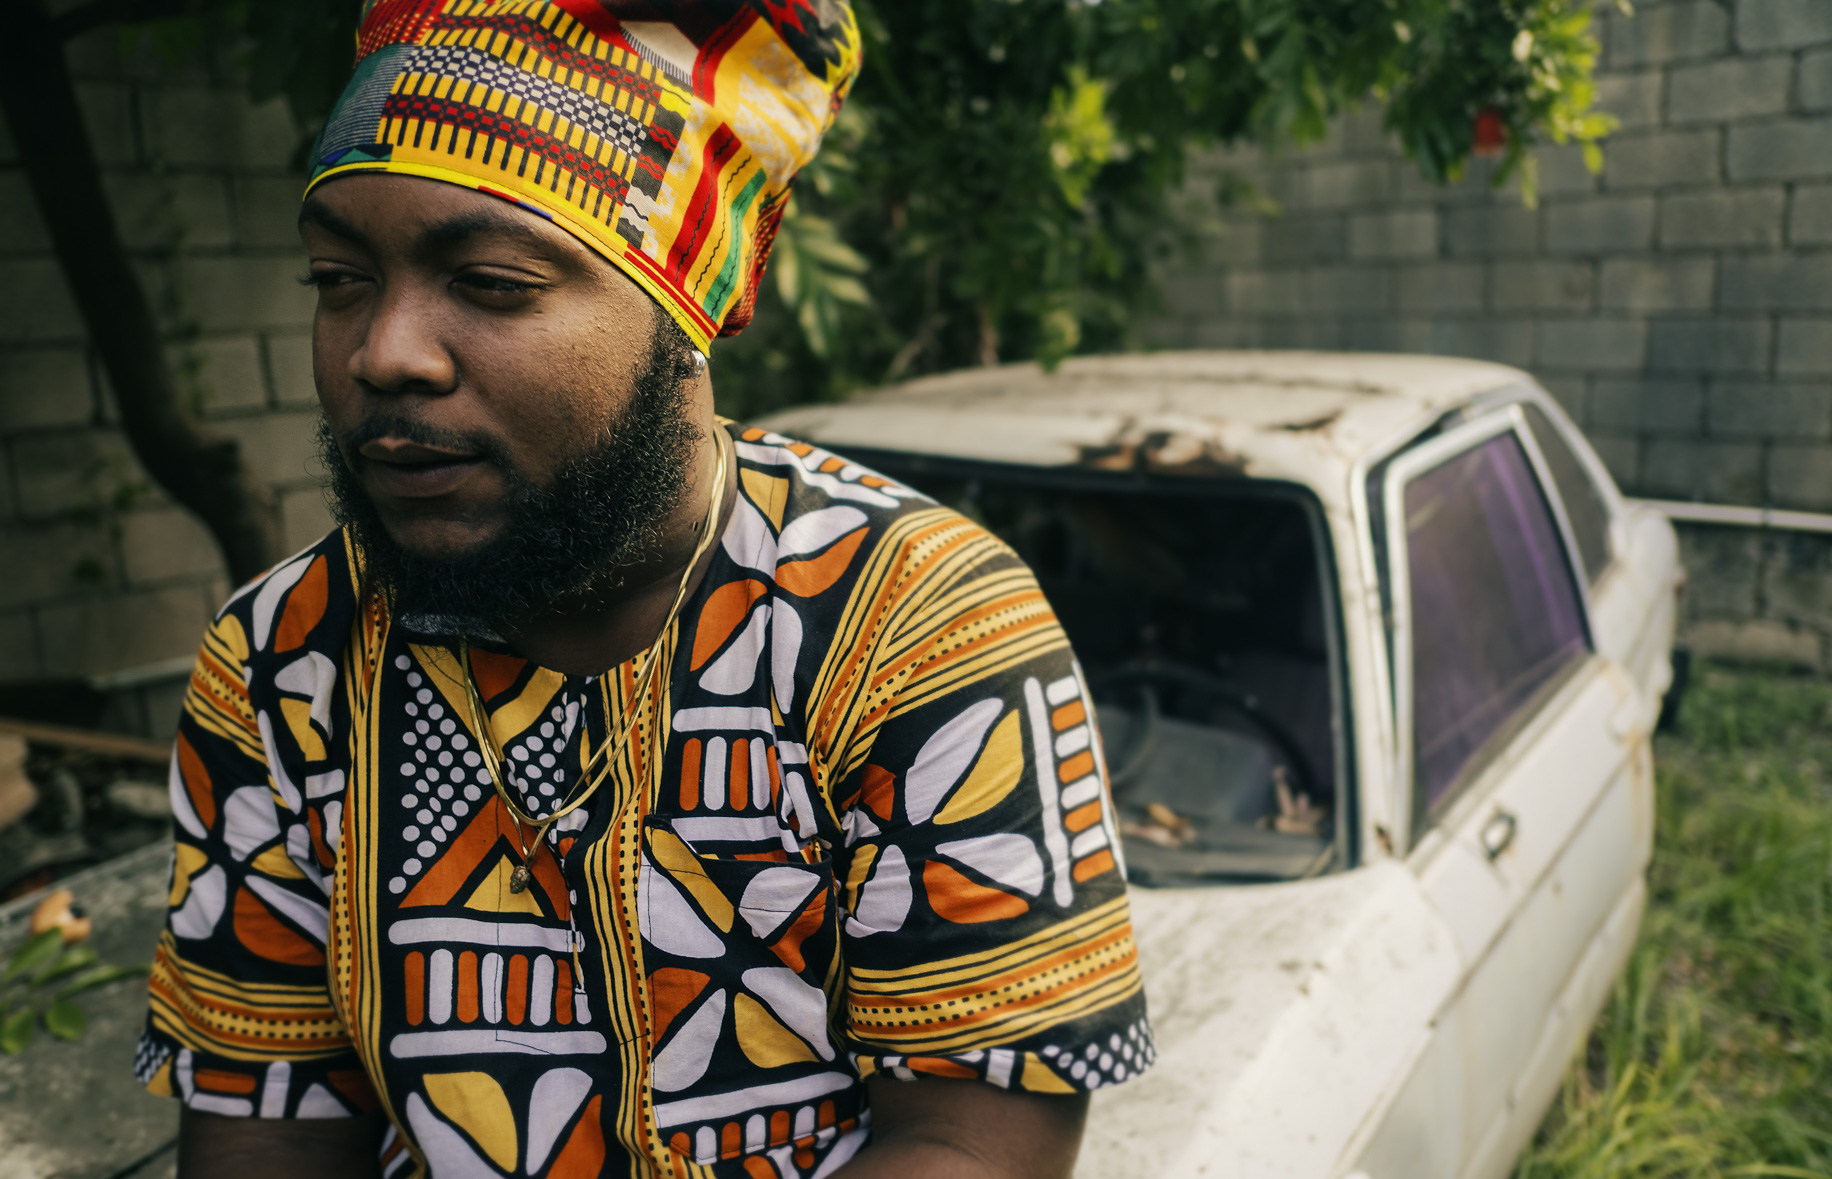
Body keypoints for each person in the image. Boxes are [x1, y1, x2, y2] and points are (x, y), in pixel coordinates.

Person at [135, 4, 1153, 1178]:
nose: (385, 351)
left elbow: (973, 1140)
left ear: (683, 316)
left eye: (492, 281)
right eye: (339, 277)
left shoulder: (910, 621)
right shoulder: (284, 659)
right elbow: (265, 1122)